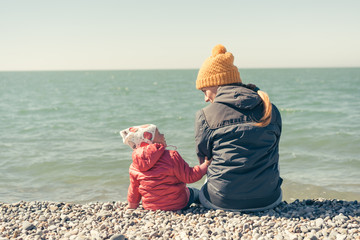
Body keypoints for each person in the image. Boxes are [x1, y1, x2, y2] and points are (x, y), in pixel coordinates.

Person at [194, 44, 283, 211]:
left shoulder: (205, 115)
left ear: (216, 84)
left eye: (204, 91)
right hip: (269, 199)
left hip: (221, 201)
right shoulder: (269, 107)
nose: (206, 98)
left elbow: (205, 159)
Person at [120, 124, 211, 211]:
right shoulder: (171, 156)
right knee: (195, 192)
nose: (163, 135)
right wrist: (205, 165)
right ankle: (207, 202)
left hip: (150, 206)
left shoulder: (135, 165)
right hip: (178, 203)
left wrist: (132, 206)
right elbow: (190, 176)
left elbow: (134, 188)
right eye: (159, 134)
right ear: (149, 141)